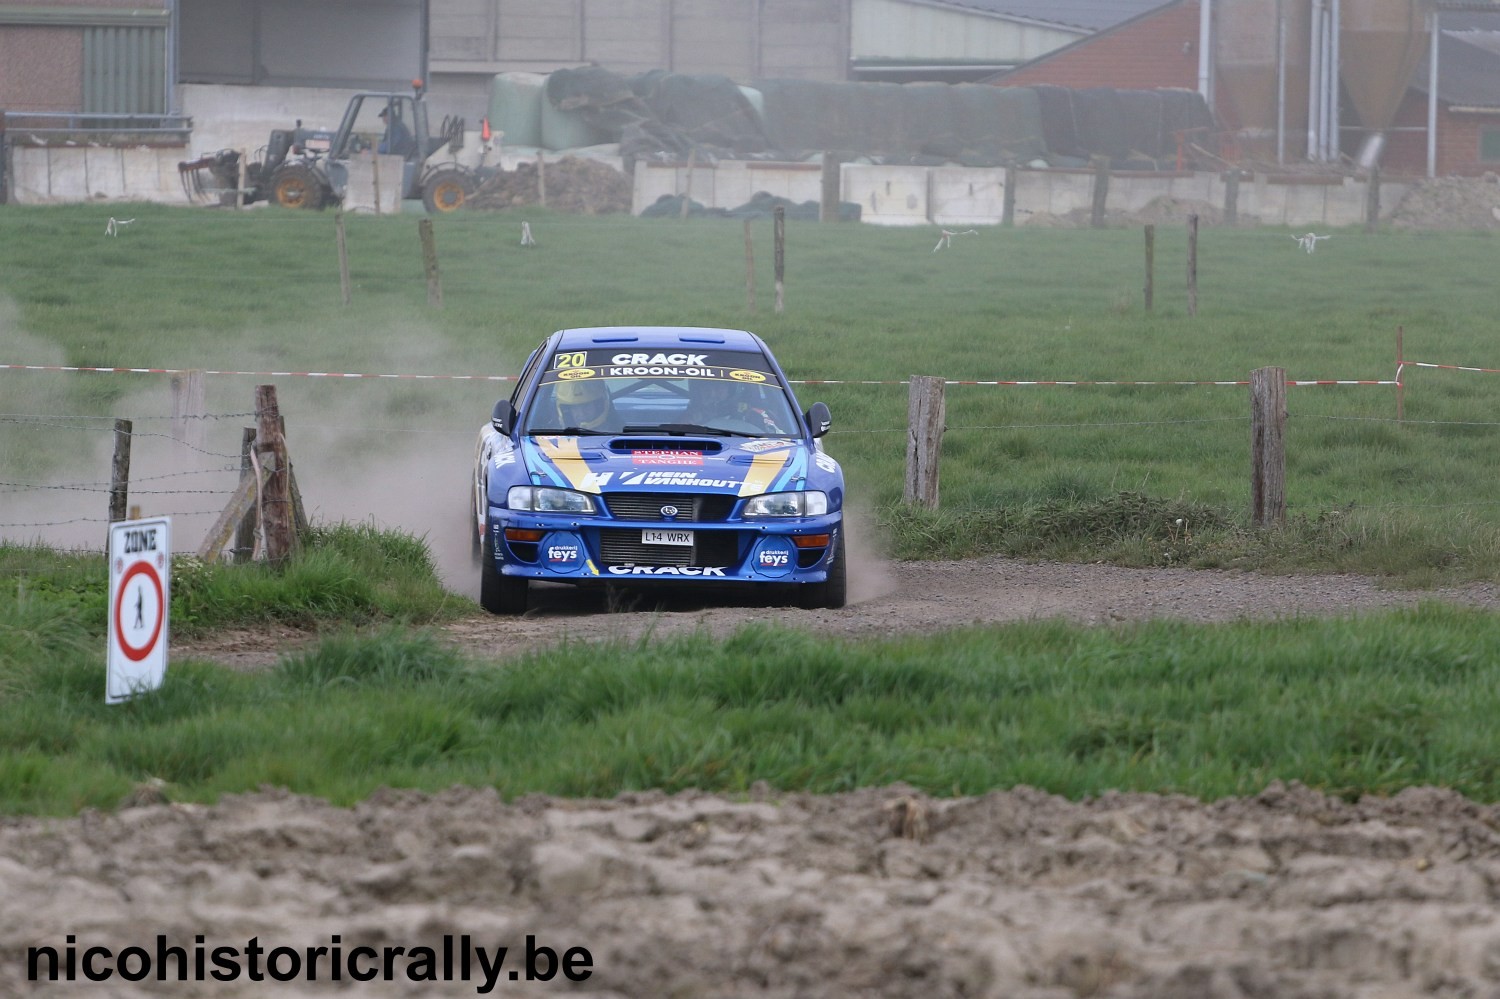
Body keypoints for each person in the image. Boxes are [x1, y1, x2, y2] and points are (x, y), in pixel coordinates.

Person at [689, 379, 784, 434]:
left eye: (718, 387)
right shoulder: (692, 415)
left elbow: (780, 437)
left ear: (731, 390)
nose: (712, 393)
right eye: (707, 388)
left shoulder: (756, 415)